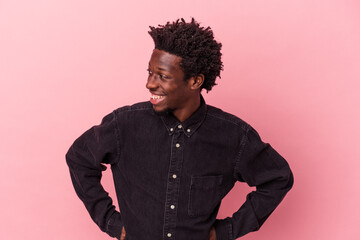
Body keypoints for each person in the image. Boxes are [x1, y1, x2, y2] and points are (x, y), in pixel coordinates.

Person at [66, 18, 293, 240]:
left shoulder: (233, 136)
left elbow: (277, 178)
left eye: (163, 76)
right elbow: (79, 158)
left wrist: (228, 231)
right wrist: (110, 221)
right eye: (150, 73)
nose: (150, 84)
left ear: (195, 82)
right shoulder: (124, 125)